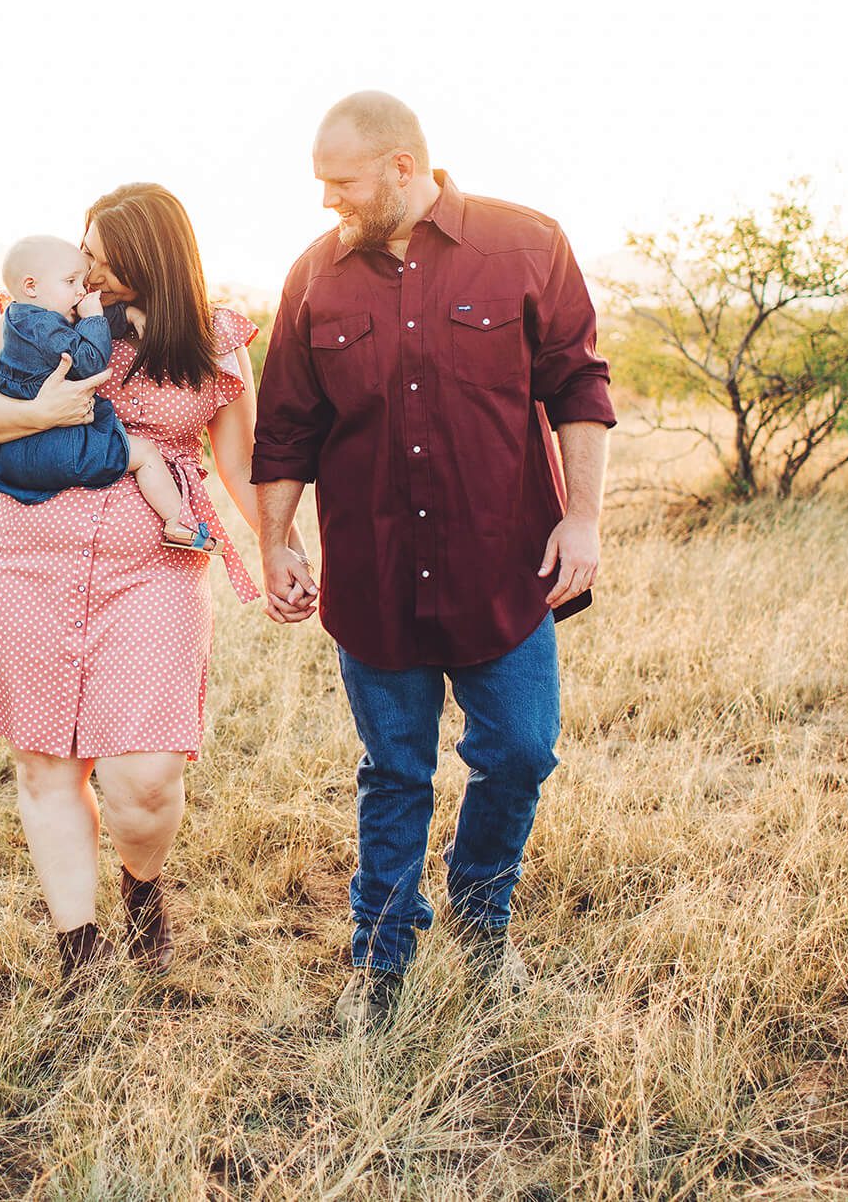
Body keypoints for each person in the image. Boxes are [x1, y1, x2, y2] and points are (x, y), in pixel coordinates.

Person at [252, 91, 615, 1035]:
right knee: (394, 770)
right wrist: (278, 538)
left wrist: (582, 520)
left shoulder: (526, 243)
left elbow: (577, 383)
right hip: (374, 576)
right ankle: (382, 954)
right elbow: (287, 426)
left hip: (505, 567)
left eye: (342, 182)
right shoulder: (312, 277)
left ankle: (483, 914)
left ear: (404, 167)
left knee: (524, 750)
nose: (328, 200)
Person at [0, 183, 300, 981]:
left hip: (155, 567)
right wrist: (46, 411)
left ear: (152, 255)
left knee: (143, 779)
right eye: (86, 250)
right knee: (46, 763)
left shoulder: (214, 337)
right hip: (25, 556)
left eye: (105, 254)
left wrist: (281, 546)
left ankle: (143, 887)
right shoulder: (39, 319)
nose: (91, 267)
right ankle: (79, 954)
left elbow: (240, 465)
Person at [0, 234, 220, 554]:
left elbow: (80, 317)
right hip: (56, 441)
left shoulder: (22, 315)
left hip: (9, 449)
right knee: (143, 453)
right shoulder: (44, 328)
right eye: (71, 281)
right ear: (31, 286)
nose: (82, 288)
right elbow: (87, 359)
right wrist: (93, 319)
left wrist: (126, 315)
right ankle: (177, 522)